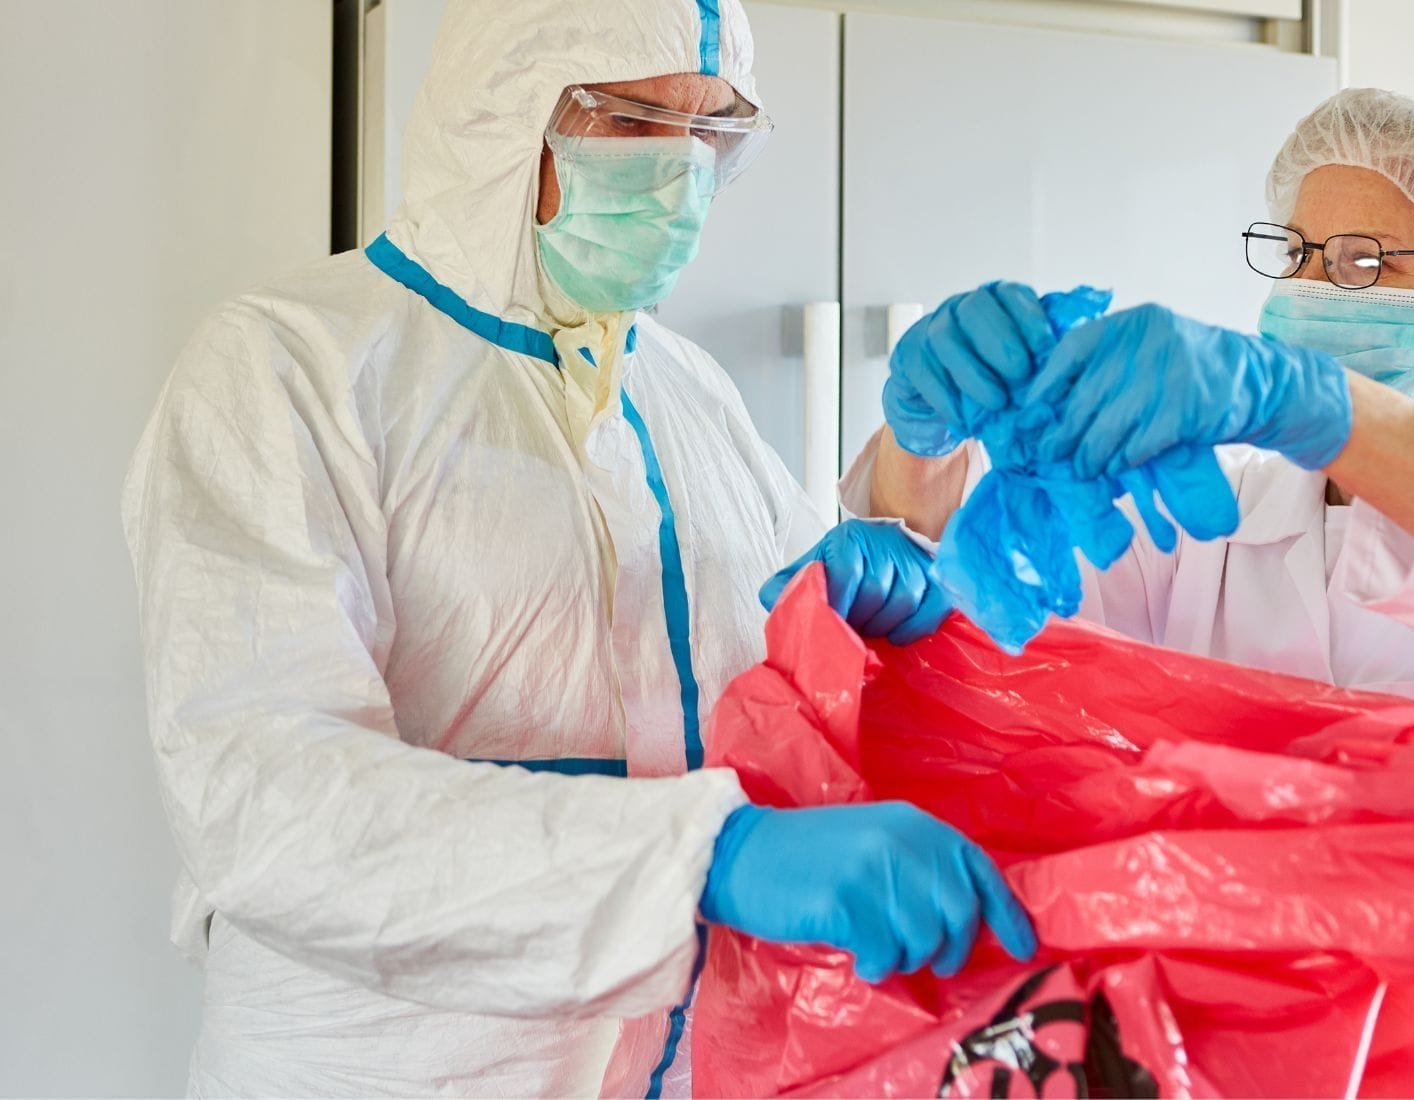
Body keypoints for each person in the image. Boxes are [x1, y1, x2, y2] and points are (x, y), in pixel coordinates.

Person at [121, 0, 1024, 1095]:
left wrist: (873, 563)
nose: (680, 174)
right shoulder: (288, 370)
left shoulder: (684, 390)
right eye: (637, 123)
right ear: (500, 113)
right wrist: (706, 857)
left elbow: (781, 660)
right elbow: (267, 799)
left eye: (713, 134)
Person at [844, 88, 1414, 1095]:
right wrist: (926, 448)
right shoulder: (1205, 518)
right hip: (1196, 1068)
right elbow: (965, 652)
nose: (1311, 290)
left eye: (1362, 265)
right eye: (1297, 255)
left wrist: (1306, 403)